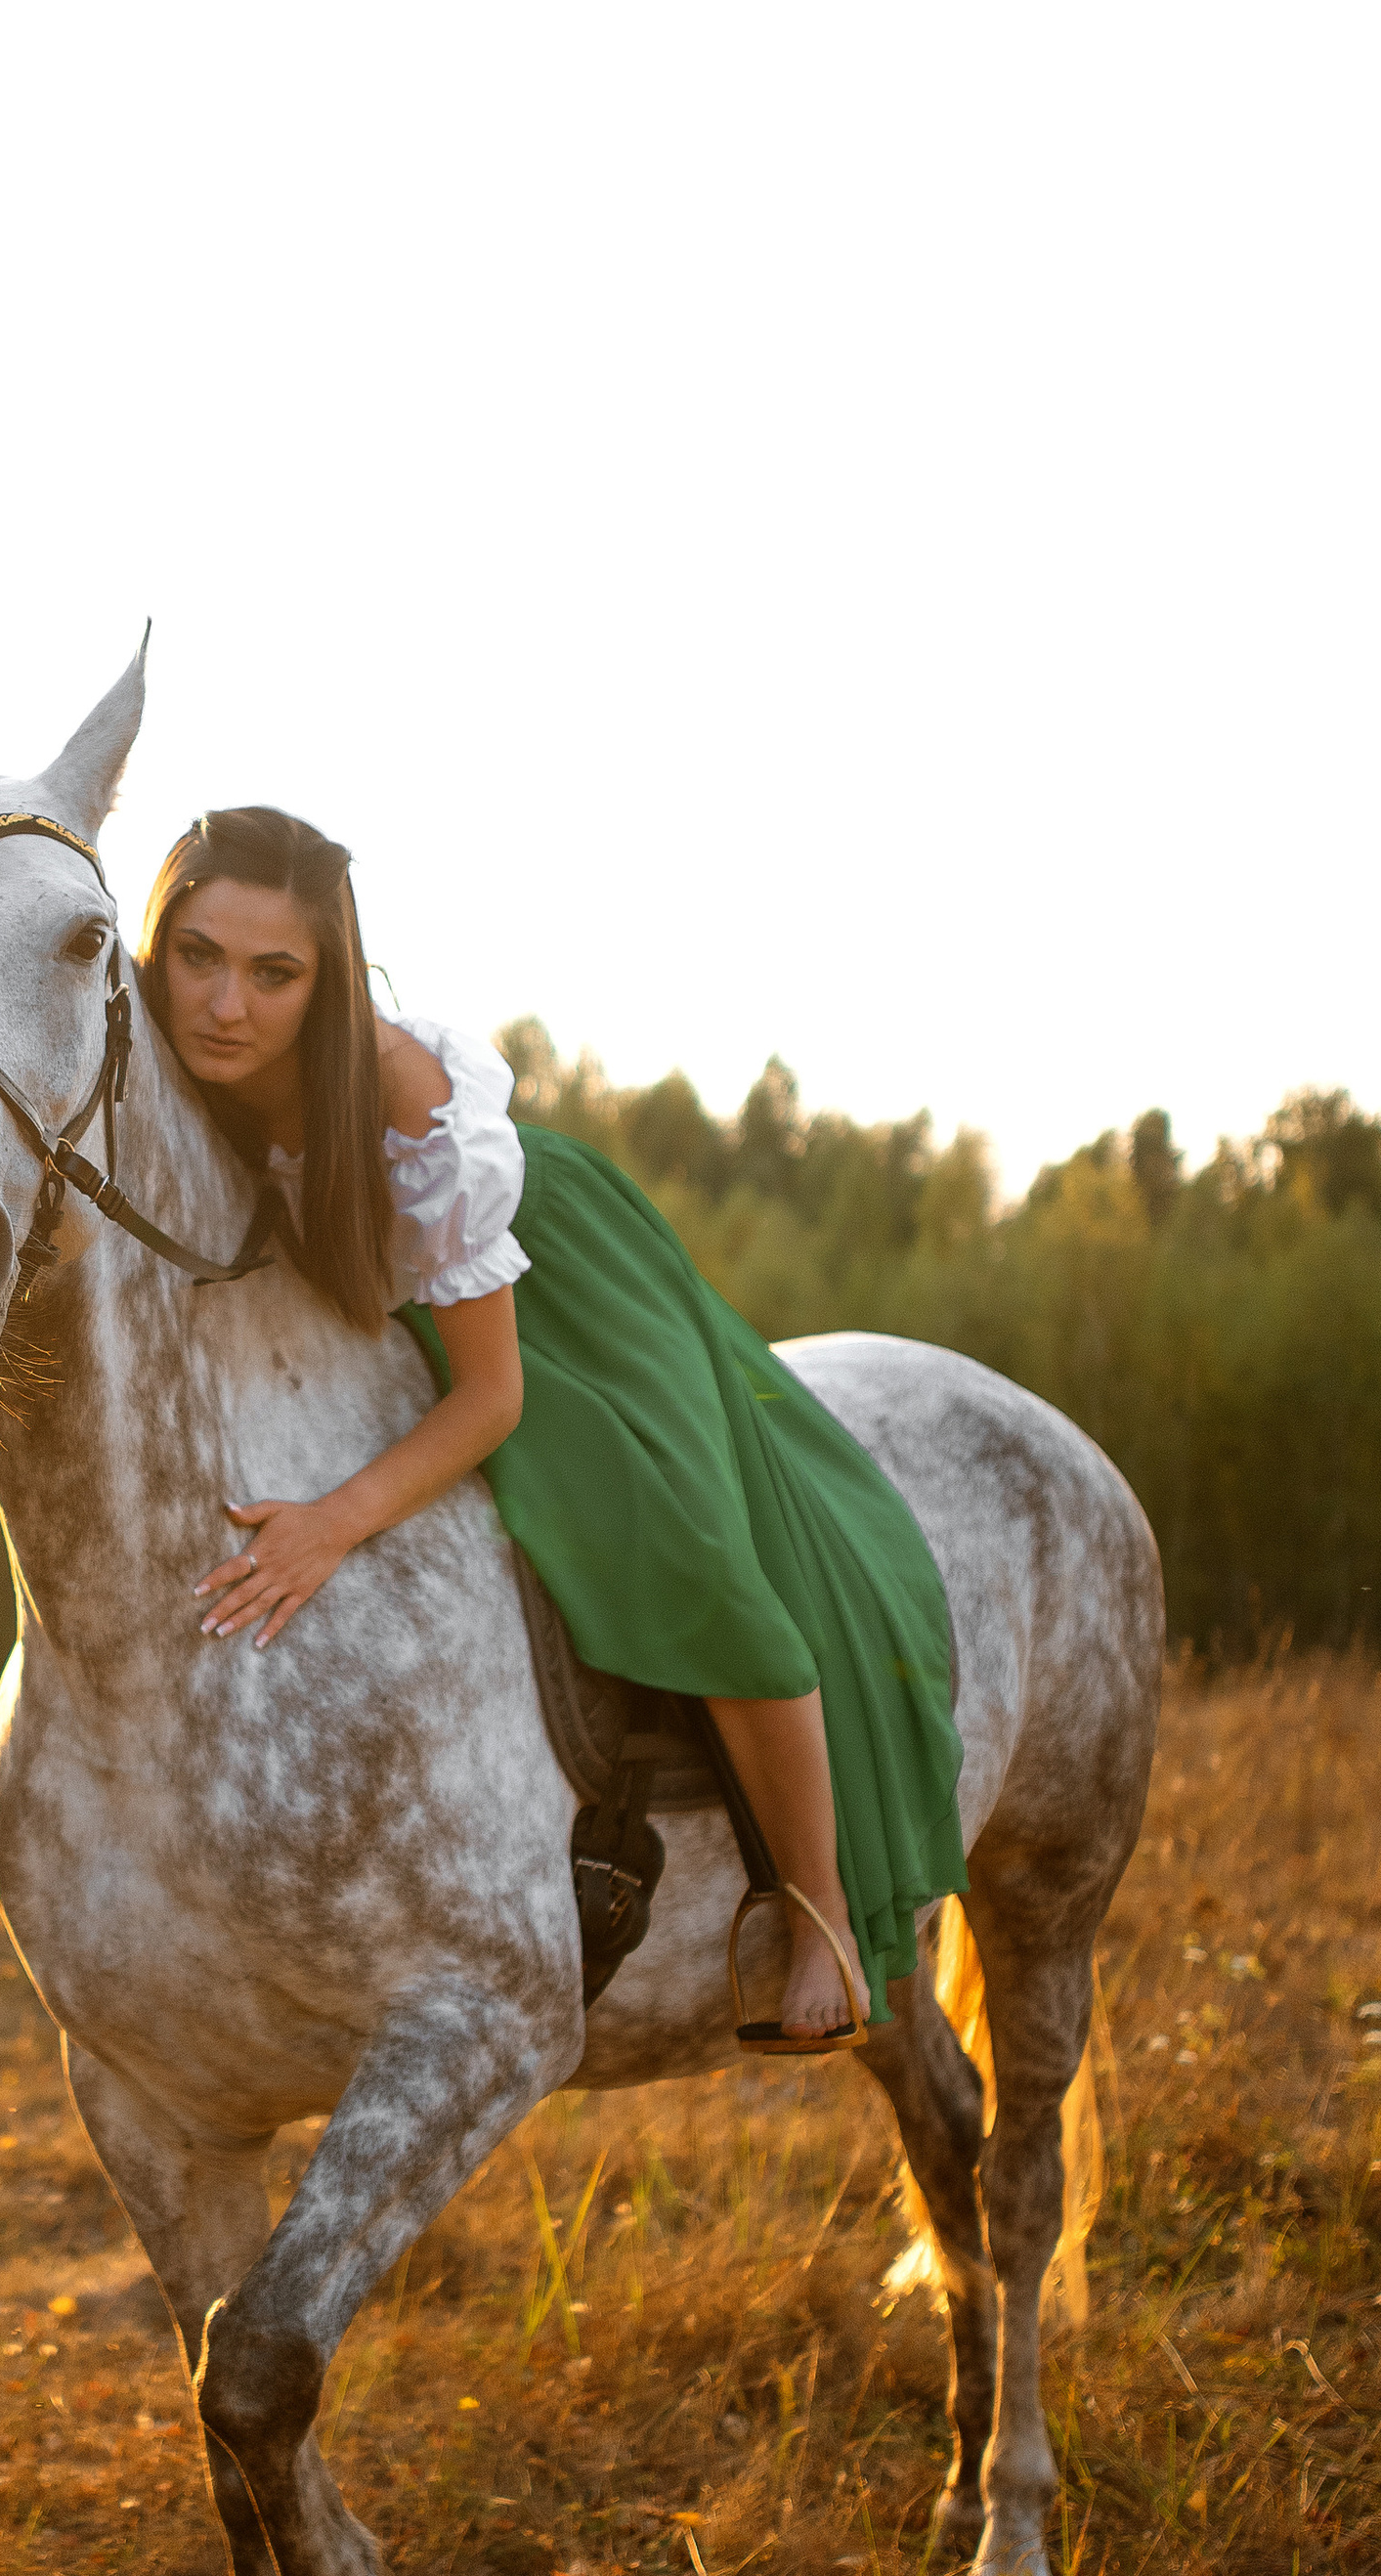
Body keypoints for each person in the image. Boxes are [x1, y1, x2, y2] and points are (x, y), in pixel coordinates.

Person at [140, 805, 968, 2053]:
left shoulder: (406, 1104)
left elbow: (492, 1398)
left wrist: (330, 1526)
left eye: (274, 974)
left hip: (550, 1294)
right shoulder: (149, 1043)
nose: (225, 1006)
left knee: (673, 1557)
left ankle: (817, 1912)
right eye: (197, 956)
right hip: (360, 1305)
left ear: (327, 978)